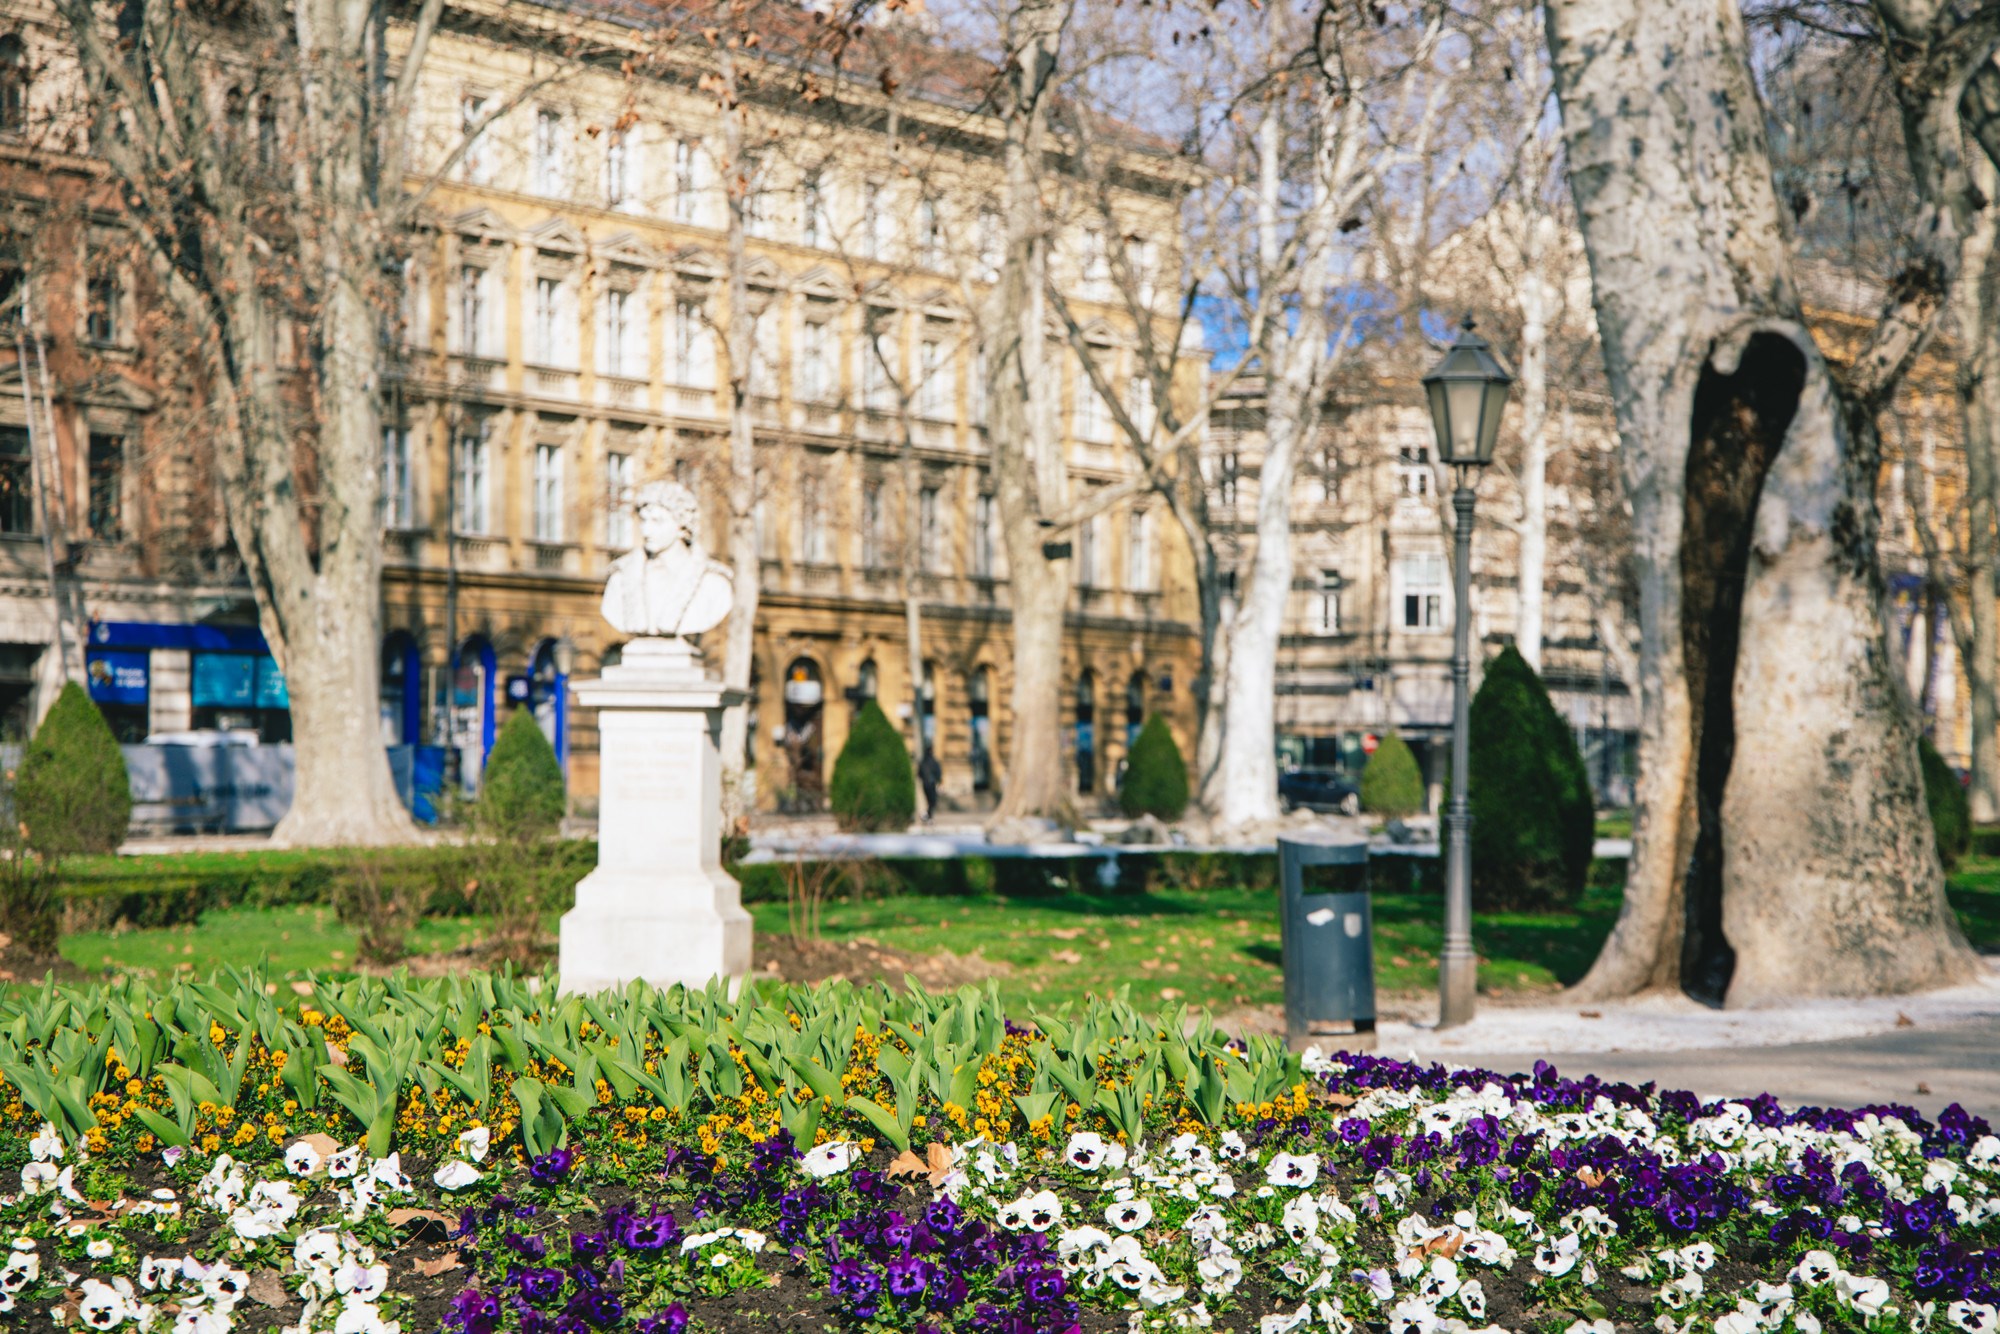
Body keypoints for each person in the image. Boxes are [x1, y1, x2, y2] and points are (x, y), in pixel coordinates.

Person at [917, 748, 942, 823]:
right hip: (931, 784)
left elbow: (919, 774)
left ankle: (927, 816)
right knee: (932, 801)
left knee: (929, 801)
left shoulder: (923, 762)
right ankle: (928, 816)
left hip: (925, 784)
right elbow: (938, 773)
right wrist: (938, 781)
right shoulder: (934, 762)